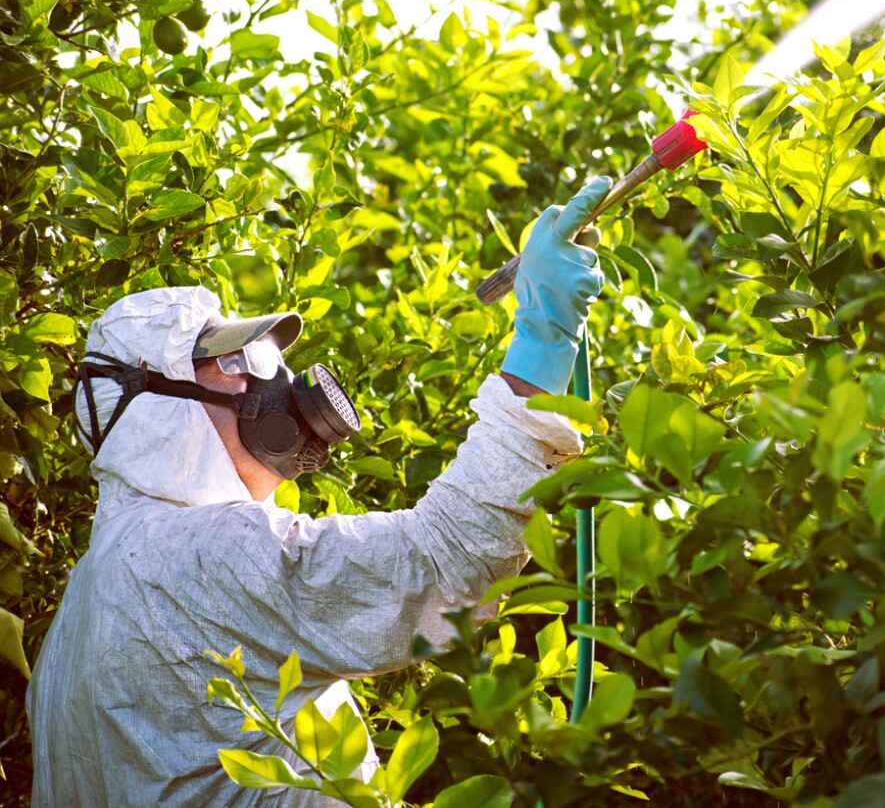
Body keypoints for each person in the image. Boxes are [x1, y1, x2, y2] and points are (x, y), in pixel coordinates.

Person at [25, 178, 611, 806]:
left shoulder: (84, 607)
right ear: (158, 408)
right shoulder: (201, 553)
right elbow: (451, 556)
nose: (272, 375)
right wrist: (542, 342)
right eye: (235, 362)